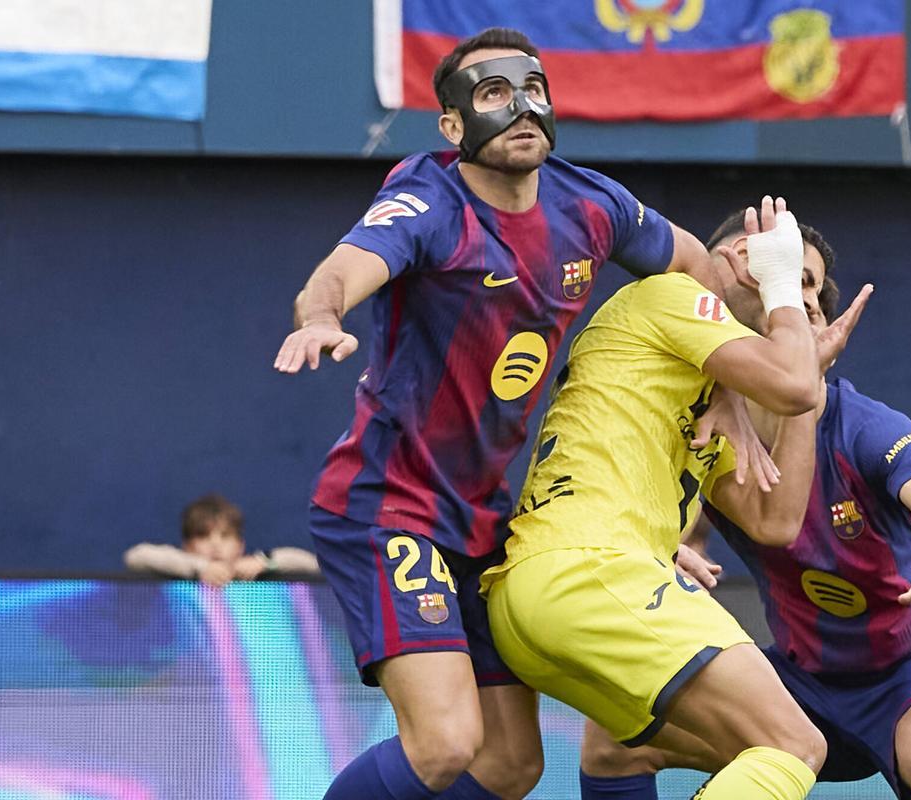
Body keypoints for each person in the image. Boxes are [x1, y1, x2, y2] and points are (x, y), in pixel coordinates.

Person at [272, 27, 755, 800]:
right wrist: (321, 318)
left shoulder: (591, 205)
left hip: (490, 519)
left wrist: (727, 386)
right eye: (493, 93)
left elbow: (695, 266)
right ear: (454, 125)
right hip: (391, 503)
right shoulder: (431, 199)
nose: (521, 107)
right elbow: (340, 270)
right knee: (444, 743)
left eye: (531, 89)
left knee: (509, 765)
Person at [579, 212, 911, 800]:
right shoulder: (701, 426)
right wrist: (664, 547)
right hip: (804, 683)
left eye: (810, 284)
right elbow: (653, 514)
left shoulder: (866, 429)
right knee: (616, 739)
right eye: (781, 276)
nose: (799, 295)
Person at [481, 195, 875, 799]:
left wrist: (800, 382)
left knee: (623, 748)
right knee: (794, 745)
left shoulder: (721, 393)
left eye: (815, 301)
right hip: (590, 569)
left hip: (541, 596)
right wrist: (784, 308)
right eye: (802, 282)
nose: (809, 310)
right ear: (750, 256)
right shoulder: (672, 296)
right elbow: (791, 381)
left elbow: (774, 521)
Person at [124, 493, 318, 586]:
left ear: (240, 545)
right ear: (187, 545)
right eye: (203, 535)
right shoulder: (182, 573)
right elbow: (136, 556)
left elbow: (311, 564)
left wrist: (264, 562)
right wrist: (200, 569)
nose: (215, 544)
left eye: (225, 536)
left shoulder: (252, 573)